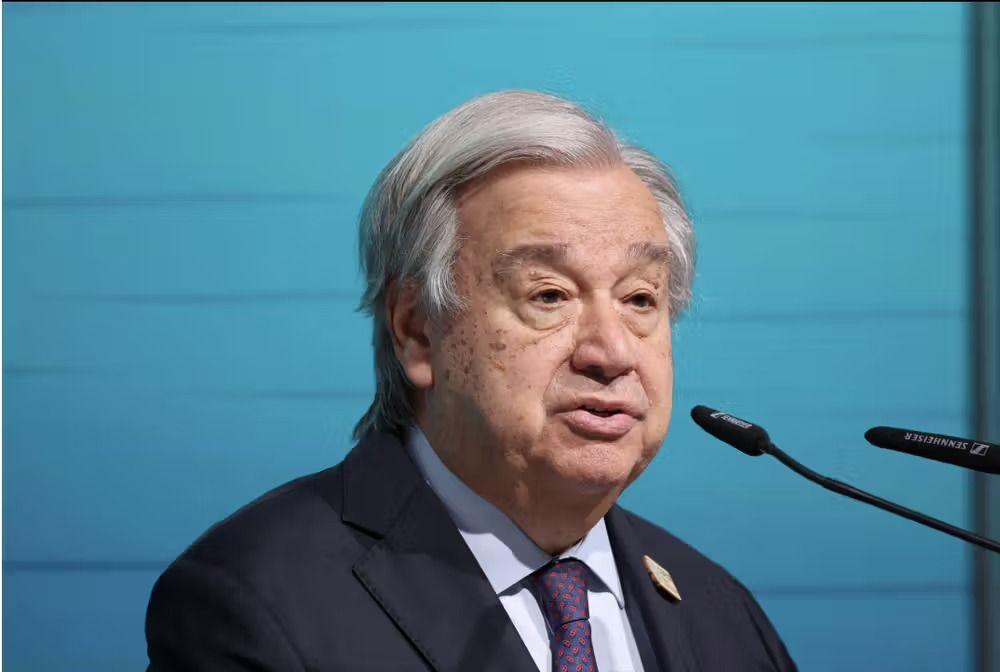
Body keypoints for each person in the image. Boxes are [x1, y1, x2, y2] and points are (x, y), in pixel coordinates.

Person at [145, 89, 797, 671]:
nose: (611, 352)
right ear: (417, 331)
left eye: (640, 299)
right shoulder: (259, 604)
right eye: (549, 295)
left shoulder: (722, 615)